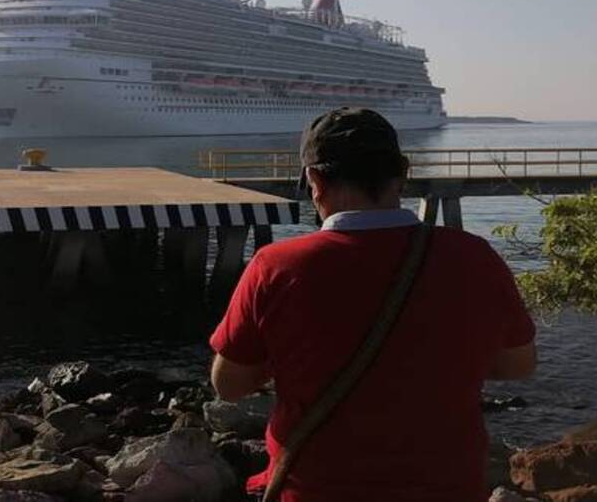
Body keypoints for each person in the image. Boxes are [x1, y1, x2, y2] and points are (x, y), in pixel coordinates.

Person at [209, 108, 536, 502]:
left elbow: (228, 385)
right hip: (449, 488)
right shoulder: (474, 256)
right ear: (402, 174)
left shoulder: (276, 266)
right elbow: (519, 365)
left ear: (314, 180)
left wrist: (295, 359)